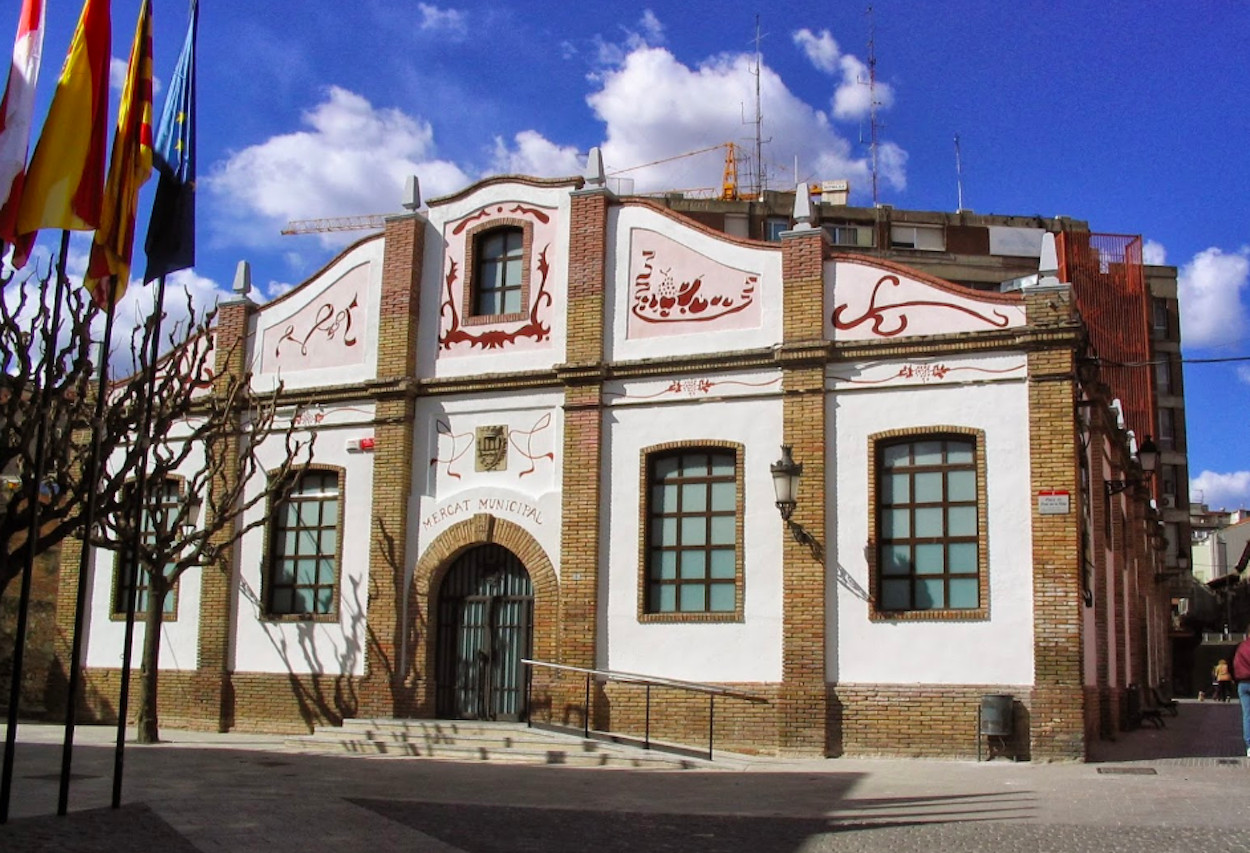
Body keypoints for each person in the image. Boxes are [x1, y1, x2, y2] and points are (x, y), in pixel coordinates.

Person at [1234, 635, 1250, 758]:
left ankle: (1249, 746)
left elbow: (1234, 663)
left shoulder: (1241, 647)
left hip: (1243, 683)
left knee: (1247, 715)